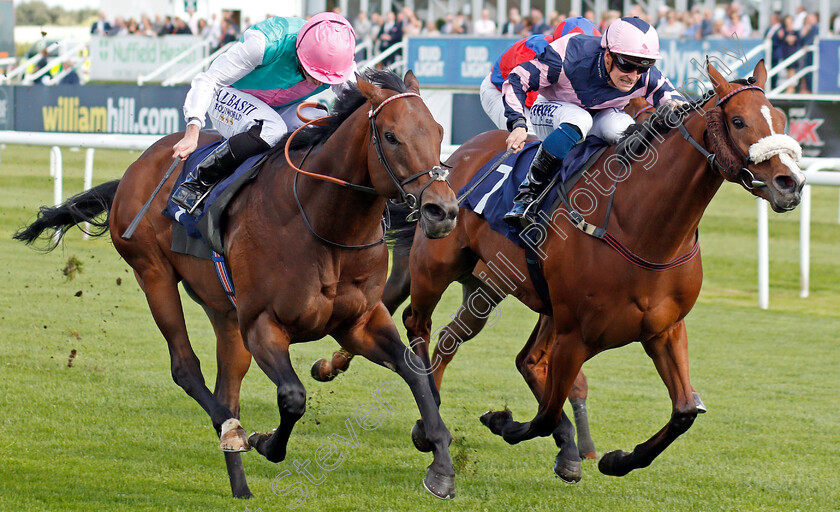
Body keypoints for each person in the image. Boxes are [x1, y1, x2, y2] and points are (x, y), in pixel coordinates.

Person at [501, 16, 686, 225]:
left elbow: (675, 100)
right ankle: (527, 194)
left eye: (643, 67)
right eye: (626, 65)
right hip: (553, 108)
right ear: (608, 55)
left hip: (601, 112)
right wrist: (517, 124)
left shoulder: (645, 74)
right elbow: (517, 78)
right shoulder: (567, 56)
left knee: (627, 131)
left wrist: (674, 108)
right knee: (579, 119)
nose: (634, 76)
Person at [170, 12, 357, 213]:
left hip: (280, 107)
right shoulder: (264, 43)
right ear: (302, 55)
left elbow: (361, 105)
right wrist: (192, 132)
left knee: (321, 125)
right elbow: (209, 80)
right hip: (229, 94)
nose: (321, 82)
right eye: (314, 74)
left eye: (326, 78)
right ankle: (199, 181)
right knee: (272, 129)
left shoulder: (339, 63)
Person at [480, 17, 601, 131]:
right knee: (532, 135)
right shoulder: (536, 52)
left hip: (531, 93)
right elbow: (532, 102)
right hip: (503, 91)